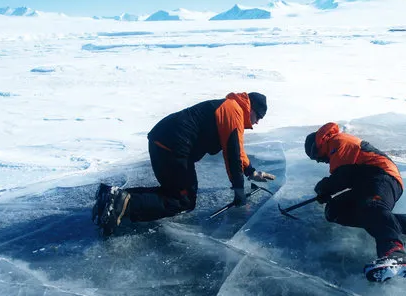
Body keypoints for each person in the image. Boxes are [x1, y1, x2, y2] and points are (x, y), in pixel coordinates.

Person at [92, 92, 275, 235]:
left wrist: (250, 171)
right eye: (258, 116)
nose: (257, 122)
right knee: (183, 199)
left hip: (163, 141)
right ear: (251, 109)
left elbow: (238, 150)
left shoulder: (232, 108)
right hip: (173, 146)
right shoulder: (233, 111)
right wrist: (239, 191)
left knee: (173, 192)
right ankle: (124, 203)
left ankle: (112, 196)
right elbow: (232, 154)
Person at [304, 122, 406, 282]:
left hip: (384, 177)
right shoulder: (334, 149)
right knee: (335, 209)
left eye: (315, 157)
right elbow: (344, 178)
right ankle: (405, 223)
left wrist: (323, 188)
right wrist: (325, 192)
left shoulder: (338, 142)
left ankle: (396, 253)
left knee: (371, 206)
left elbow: (342, 177)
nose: (318, 161)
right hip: (366, 184)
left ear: (316, 148)